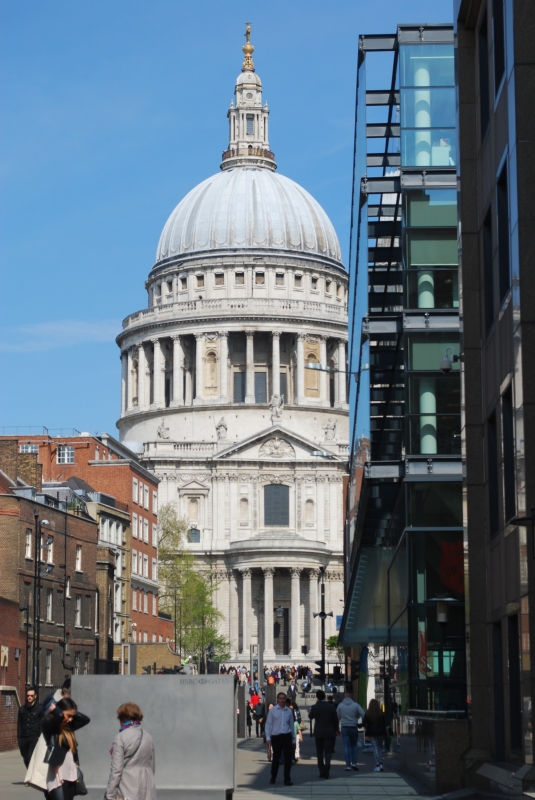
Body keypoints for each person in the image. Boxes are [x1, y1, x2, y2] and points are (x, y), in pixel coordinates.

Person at [105, 702, 156, 800]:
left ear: (122, 718)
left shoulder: (120, 737)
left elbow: (116, 770)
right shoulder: (148, 736)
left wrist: (110, 795)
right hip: (147, 785)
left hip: (128, 785)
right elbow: (152, 767)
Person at [42, 697, 90, 800]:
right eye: (68, 716)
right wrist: (57, 710)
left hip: (71, 777)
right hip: (57, 778)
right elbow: (59, 716)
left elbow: (86, 719)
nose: (70, 719)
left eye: (72, 716)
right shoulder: (49, 726)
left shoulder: (69, 727)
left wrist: (71, 712)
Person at [264, 692, 295, 786]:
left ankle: (287, 779)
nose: (282, 700)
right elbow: (268, 724)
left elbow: (292, 725)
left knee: (288, 759)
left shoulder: (289, 711)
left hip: (287, 736)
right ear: (277, 699)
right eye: (280, 698)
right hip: (276, 737)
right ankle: (273, 777)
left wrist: (293, 739)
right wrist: (268, 737)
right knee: (276, 758)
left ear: (285, 700)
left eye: (283, 698)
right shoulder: (273, 711)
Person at [308, 689, 340, 779]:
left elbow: (310, 716)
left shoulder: (315, 707)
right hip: (329, 732)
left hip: (318, 732)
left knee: (319, 752)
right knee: (328, 751)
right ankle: (327, 765)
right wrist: (336, 729)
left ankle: (321, 770)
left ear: (317, 697)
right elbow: (335, 720)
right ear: (325, 696)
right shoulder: (331, 707)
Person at [337, 691, 365, 771]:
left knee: (346, 746)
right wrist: (361, 722)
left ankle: (348, 765)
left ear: (344, 697)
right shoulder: (355, 705)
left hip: (344, 727)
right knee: (354, 746)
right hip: (353, 727)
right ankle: (354, 763)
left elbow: (337, 717)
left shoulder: (340, 705)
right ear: (351, 697)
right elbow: (363, 714)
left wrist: (337, 729)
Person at [17, 687, 43, 768]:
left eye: (31, 695)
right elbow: (19, 724)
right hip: (24, 738)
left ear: (35, 696)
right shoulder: (22, 710)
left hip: (34, 737)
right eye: (28, 695)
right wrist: (19, 737)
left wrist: (40, 735)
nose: (29, 697)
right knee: (25, 758)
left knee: (30, 757)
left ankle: (31, 776)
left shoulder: (39, 709)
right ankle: (30, 773)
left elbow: (42, 723)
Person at [363, 698, 387, 772]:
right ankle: (381, 763)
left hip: (372, 732)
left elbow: (364, 723)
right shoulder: (380, 713)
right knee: (380, 748)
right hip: (380, 732)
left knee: (375, 748)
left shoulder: (368, 713)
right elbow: (384, 723)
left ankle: (377, 764)